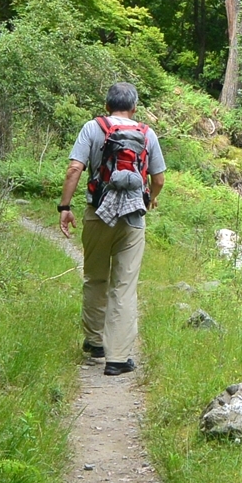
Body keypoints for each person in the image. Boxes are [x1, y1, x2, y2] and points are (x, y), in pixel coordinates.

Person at [58, 82, 166, 375]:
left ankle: (95, 343)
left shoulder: (92, 128)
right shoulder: (147, 133)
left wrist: (65, 208)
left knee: (95, 278)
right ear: (134, 108)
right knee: (124, 286)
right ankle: (117, 358)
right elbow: (158, 178)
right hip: (132, 219)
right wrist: (152, 199)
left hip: (97, 213)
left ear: (107, 106)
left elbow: (74, 169)